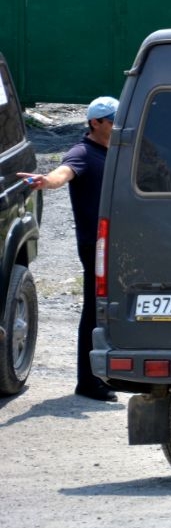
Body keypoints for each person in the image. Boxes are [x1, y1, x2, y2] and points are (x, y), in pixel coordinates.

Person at [20, 97, 120, 402]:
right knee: (93, 309)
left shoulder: (114, 151)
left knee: (113, 309)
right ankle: (87, 382)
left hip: (118, 242)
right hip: (95, 245)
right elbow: (61, 174)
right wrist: (44, 180)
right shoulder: (83, 153)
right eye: (113, 120)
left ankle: (106, 373)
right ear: (95, 123)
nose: (119, 124)